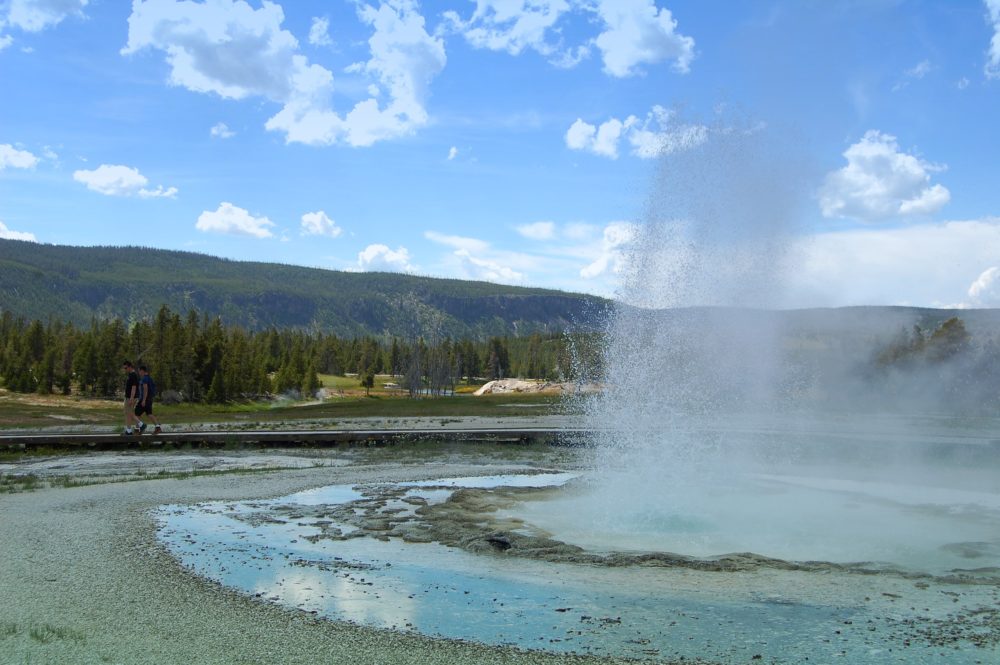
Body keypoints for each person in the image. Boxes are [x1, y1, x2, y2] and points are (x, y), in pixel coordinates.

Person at [136, 364, 163, 434]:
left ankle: (138, 429)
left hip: (144, 399)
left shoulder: (144, 379)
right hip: (149, 399)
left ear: (142, 371)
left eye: (139, 371)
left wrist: (144, 400)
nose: (139, 373)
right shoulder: (149, 378)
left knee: (136, 414)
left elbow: (145, 389)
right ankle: (158, 427)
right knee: (149, 413)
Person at [122, 360, 140, 435]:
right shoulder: (130, 375)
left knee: (128, 412)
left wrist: (131, 398)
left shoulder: (133, 375)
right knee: (128, 413)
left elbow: (134, 387)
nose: (125, 370)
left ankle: (141, 424)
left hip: (130, 397)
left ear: (130, 367)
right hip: (129, 397)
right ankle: (128, 430)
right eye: (124, 368)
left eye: (126, 368)